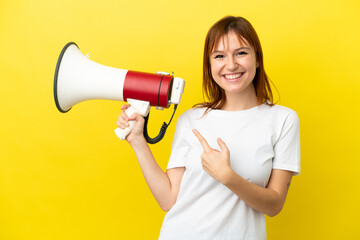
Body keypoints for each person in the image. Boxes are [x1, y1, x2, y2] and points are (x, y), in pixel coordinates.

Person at [116, 16, 300, 240]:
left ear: (258, 58)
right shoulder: (191, 119)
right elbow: (168, 199)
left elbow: (274, 205)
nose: (231, 65)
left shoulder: (283, 120)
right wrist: (137, 140)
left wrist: (228, 177)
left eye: (241, 53)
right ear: (210, 64)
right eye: (219, 56)